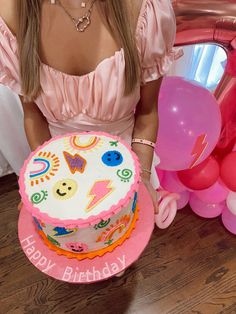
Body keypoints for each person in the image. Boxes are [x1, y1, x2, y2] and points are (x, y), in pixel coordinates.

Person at [0, 0, 180, 212]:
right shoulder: (11, 14)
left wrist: (142, 177)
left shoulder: (144, 10)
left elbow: (147, 112)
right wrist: (43, 179)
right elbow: (33, 115)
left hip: (128, 167)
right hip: (63, 178)